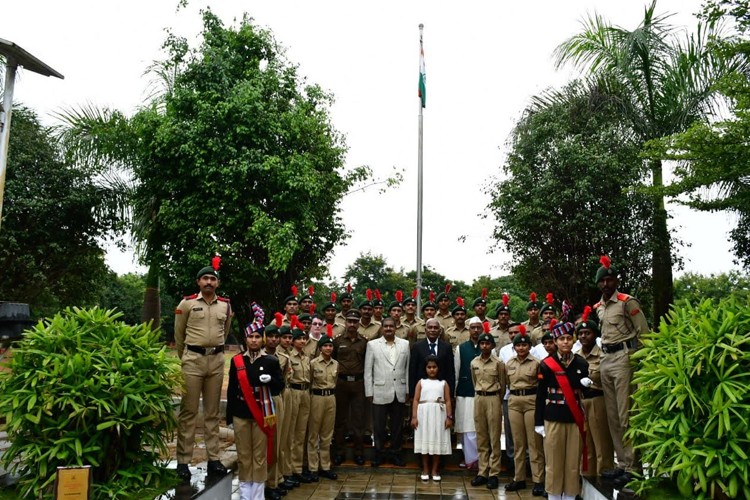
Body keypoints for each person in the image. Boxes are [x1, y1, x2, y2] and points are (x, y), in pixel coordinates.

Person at [594, 255, 649, 488]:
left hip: (625, 359)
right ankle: (623, 463)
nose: (606, 284)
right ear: (598, 284)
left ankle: (634, 467)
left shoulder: (628, 302)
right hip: (605, 358)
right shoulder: (599, 308)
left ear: (616, 281)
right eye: (602, 281)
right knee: (613, 416)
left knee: (626, 414)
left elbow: (644, 334)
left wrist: (642, 364)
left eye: (610, 280)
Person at [174, 261, 232, 480]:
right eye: (205, 279)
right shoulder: (187, 303)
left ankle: (214, 459)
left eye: (213, 279)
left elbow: (224, 332)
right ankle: (183, 462)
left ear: (217, 283)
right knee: (188, 412)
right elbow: (179, 334)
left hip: (216, 362)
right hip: (192, 361)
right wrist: (187, 356)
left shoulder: (225, 305)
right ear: (198, 282)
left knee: (212, 413)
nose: (209, 282)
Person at [226, 327, 284, 500]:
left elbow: (279, 386)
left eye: (257, 336)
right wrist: (229, 416)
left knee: (260, 456)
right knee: (244, 455)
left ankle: (257, 495)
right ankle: (245, 494)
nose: (253, 340)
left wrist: (271, 380)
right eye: (250, 336)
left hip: (262, 413)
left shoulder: (271, 361)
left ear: (263, 340)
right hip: (241, 412)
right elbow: (231, 389)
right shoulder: (236, 360)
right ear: (245, 339)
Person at [535, 321, 589, 500]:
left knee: (573, 462)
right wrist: (538, 422)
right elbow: (541, 395)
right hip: (553, 418)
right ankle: (554, 496)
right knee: (554, 462)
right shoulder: (546, 364)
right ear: (555, 341)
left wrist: (587, 385)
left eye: (568, 338)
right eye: (561, 339)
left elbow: (584, 392)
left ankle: (570, 496)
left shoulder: (581, 363)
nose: (565, 342)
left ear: (573, 341)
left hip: (574, 418)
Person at [364, 316, 410, 467]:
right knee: (379, 426)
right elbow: (368, 371)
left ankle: (396, 453)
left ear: (396, 327)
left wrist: (408, 389)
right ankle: (379, 454)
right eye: (386, 326)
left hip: (399, 391)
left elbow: (408, 369)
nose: (389, 328)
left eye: (392, 326)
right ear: (382, 328)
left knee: (397, 426)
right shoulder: (372, 345)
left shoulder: (405, 344)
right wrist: (369, 391)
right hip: (379, 391)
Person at [574, 307, 614, 479]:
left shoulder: (602, 354)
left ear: (595, 334)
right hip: (581, 401)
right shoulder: (575, 356)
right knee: (586, 443)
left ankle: (604, 476)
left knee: (601, 442)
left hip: (598, 400)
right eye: (581, 333)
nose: (584, 336)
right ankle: (588, 477)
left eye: (587, 333)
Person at [505, 330, 545, 496]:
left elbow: (541, 384)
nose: (521, 348)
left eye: (524, 345)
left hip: (531, 401)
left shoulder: (537, 363)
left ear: (529, 346)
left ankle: (538, 480)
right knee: (518, 442)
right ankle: (519, 478)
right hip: (514, 401)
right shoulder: (509, 363)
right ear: (514, 347)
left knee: (534, 442)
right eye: (518, 345)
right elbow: (506, 382)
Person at [260, 312, 293, 496]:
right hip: (262, 402)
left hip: (277, 399)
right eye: (270, 336)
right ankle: (263, 482)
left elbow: (284, 381)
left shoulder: (283, 358)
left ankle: (275, 480)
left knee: (278, 440)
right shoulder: (258, 356)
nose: (273, 340)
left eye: (276, 337)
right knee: (264, 442)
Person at [470, 333, 507, 490]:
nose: (484, 346)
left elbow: (503, 384)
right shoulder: (474, 362)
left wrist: (497, 400)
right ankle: (482, 471)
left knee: (494, 437)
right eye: (482, 343)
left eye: (487, 343)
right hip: (479, 398)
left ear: (492, 346)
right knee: (481, 436)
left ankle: (494, 474)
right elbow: (474, 381)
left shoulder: (498, 363)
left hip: (493, 398)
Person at [332, 309, 369, 466]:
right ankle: (339, 452)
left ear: (359, 323)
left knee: (358, 420)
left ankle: (359, 452)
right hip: (341, 383)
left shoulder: (365, 342)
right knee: (340, 420)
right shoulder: (337, 341)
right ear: (345, 322)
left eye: (355, 321)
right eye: (349, 321)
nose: (352, 324)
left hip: (358, 384)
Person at [412, 355, 453, 482]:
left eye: (434, 367)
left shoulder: (443, 383)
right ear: (425, 368)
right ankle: (425, 469)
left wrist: (449, 417)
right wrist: (414, 417)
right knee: (425, 441)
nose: (432, 370)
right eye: (429, 367)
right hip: (424, 414)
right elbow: (415, 400)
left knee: (436, 441)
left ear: (438, 368)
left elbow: (448, 401)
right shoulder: (421, 382)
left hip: (438, 415)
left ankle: (435, 470)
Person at [307, 334, 339, 481]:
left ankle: (325, 466)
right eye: (325, 346)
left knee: (327, 434)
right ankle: (313, 467)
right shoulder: (313, 363)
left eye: (330, 346)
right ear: (320, 348)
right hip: (317, 398)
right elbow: (309, 382)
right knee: (314, 433)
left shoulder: (336, 364)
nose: (328, 348)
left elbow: (336, 381)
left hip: (331, 398)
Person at [454, 317, 483, 469]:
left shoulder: (489, 347)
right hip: (464, 393)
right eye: (473, 328)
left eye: (479, 327)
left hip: (482, 394)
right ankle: (469, 459)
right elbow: (456, 372)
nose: (476, 330)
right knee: (466, 428)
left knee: (479, 428)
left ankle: (480, 459)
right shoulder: (461, 348)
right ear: (469, 330)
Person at [287, 323, 314, 483]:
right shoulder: (289, 357)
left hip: (306, 393)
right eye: (299, 339)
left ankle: (297, 468)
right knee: (291, 431)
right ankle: (288, 468)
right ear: (293, 341)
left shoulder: (306, 358)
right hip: (294, 392)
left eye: (304, 339)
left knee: (301, 432)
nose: (303, 341)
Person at [409, 318, 455, 397]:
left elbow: (450, 371)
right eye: (430, 327)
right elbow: (413, 371)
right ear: (425, 330)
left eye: (435, 328)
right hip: (422, 389)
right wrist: (412, 394)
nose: (432, 330)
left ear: (440, 331)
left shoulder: (446, 347)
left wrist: (450, 394)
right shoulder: (417, 347)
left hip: (441, 389)